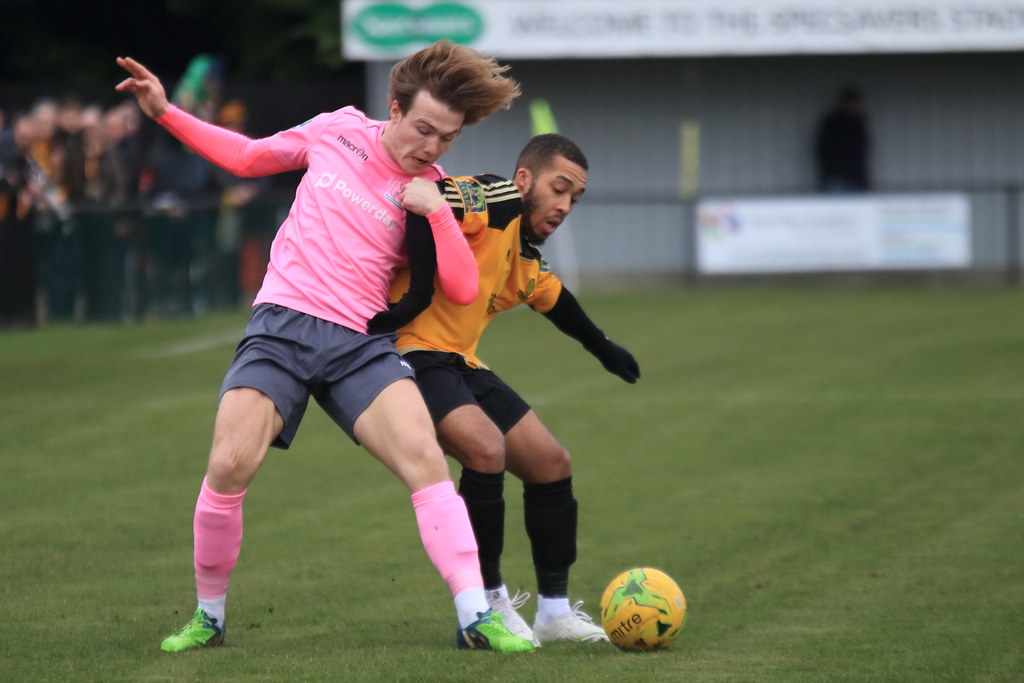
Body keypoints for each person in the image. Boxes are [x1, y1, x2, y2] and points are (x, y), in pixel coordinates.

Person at [114, 39, 536, 653]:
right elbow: (250, 157)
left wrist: (439, 212)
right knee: (231, 463)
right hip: (282, 326)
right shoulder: (335, 130)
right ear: (393, 108)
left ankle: (476, 616)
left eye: (446, 138)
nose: (431, 147)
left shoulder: (432, 187)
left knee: (424, 456)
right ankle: (208, 617)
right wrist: (165, 112)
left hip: (360, 345)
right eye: (423, 129)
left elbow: (465, 287)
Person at [377, 133, 640, 645]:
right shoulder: (494, 199)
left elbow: (557, 301)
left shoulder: (524, 254)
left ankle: (554, 612)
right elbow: (421, 195)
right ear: (525, 180)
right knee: (485, 448)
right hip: (408, 352)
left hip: (460, 362)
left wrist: (605, 349)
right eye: (559, 189)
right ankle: (486, 604)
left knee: (550, 463)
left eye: (575, 198)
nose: (564, 205)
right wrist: (415, 296)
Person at [814, 87, 870, 193]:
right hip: (837, 178)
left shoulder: (859, 123)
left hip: (856, 178)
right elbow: (824, 149)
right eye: (855, 103)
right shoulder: (833, 124)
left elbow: (860, 154)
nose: (858, 106)